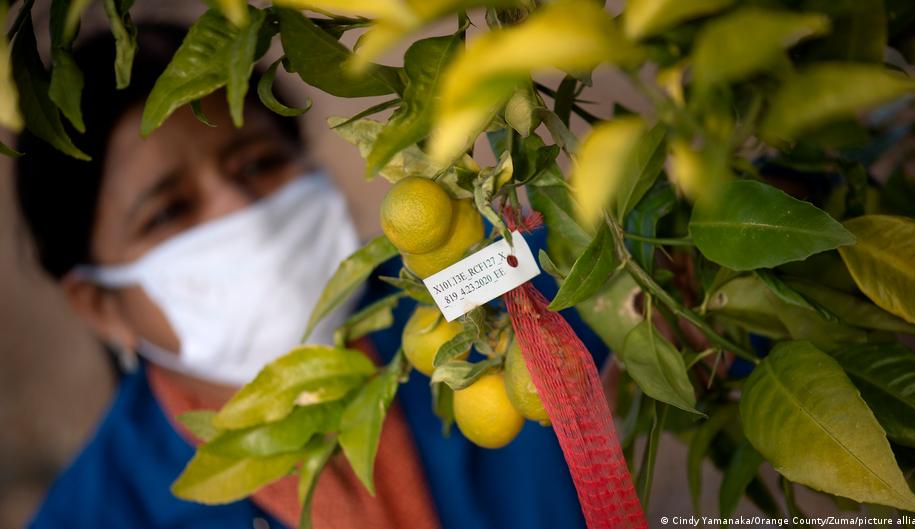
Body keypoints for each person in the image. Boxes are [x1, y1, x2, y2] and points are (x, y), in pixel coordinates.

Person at [14, 24, 595, 529]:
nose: (243, 212)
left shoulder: (472, 295)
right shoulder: (98, 515)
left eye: (259, 163)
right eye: (168, 212)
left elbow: (569, 263)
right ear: (99, 305)